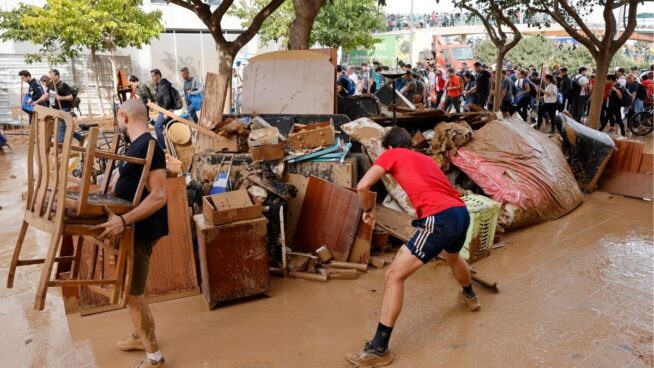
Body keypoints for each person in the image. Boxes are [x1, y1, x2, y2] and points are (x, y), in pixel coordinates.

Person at [345, 126, 479, 367]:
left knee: (394, 275)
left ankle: (379, 348)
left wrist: (368, 210)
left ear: (390, 147)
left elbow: (363, 186)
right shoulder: (424, 158)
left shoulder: (391, 153)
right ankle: (470, 295)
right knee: (453, 257)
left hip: (439, 218)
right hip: (460, 213)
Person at [91, 99, 168, 368]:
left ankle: (154, 358)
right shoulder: (135, 147)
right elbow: (127, 186)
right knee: (130, 291)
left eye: (116, 119)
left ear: (123, 116)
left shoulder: (150, 147)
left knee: (133, 295)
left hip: (140, 230)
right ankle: (139, 335)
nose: (116, 125)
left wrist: (123, 221)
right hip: (131, 227)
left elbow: (159, 196)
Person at [43, 69, 81, 142]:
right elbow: (46, 95)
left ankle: (60, 145)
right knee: (65, 128)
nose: (50, 77)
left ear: (57, 76)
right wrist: (36, 101)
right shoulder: (51, 84)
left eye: (52, 75)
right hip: (55, 110)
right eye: (49, 75)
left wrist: (61, 98)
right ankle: (79, 137)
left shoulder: (63, 85)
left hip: (64, 109)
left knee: (60, 129)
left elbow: (70, 97)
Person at [151, 69, 174, 150]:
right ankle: (173, 147)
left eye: (153, 76)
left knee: (157, 126)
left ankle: (162, 148)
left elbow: (167, 99)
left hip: (165, 111)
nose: (152, 78)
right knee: (170, 128)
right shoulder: (159, 85)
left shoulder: (163, 85)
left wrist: (166, 111)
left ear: (158, 76)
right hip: (163, 110)